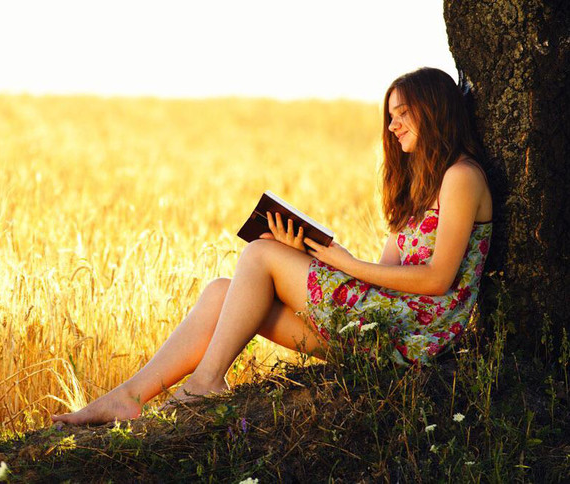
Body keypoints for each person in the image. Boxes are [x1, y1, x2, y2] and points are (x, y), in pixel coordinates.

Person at [51, 67, 492, 426]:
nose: (392, 126)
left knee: (259, 256)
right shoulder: (420, 190)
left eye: (401, 114)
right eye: (390, 116)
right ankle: (128, 397)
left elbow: (437, 280)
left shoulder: (462, 177)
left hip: (413, 342)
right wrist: (308, 255)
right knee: (224, 292)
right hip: (382, 328)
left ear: (432, 110)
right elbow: (384, 282)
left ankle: (206, 382)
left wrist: (343, 262)